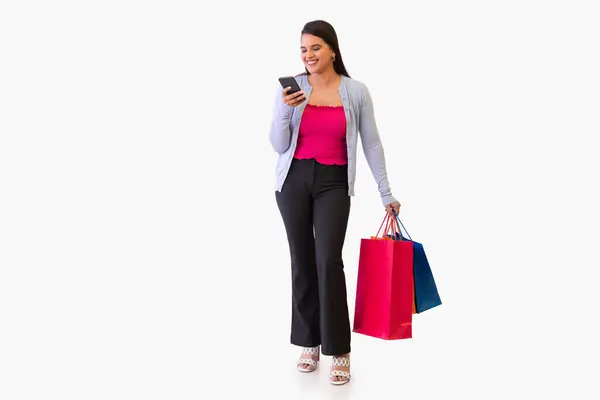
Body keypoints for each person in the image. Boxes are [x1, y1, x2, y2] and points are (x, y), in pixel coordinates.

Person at [268, 20, 401, 386]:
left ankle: (339, 350)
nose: (308, 56)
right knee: (301, 262)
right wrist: (284, 109)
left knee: (328, 260)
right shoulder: (293, 90)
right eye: (303, 50)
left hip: (333, 183)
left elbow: (371, 144)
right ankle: (308, 343)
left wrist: (385, 192)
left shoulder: (355, 91)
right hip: (293, 181)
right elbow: (278, 144)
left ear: (332, 50)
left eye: (315, 48)